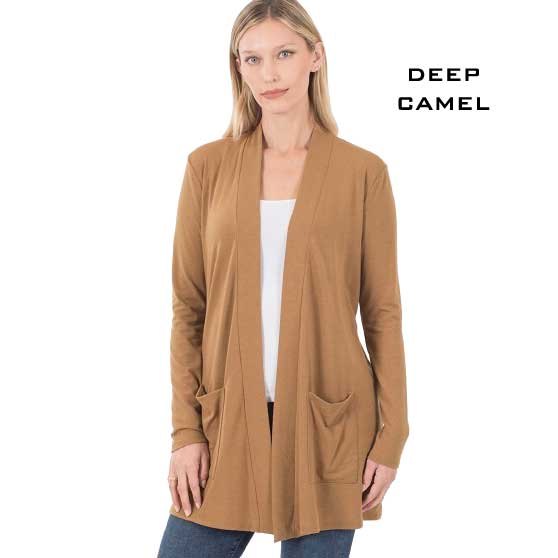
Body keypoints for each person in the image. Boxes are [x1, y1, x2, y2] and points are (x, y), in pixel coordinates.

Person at [158, 1, 410, 556]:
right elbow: (188, 309)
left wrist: (392, 436)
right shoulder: (207, 167)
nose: (269, 73)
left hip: (330, 425)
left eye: (284, 54)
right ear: (238, 68)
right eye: (252, 58)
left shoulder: (363, 173)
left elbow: (382, 314)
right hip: (225, 424)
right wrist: (185, 432)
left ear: (315, 57)